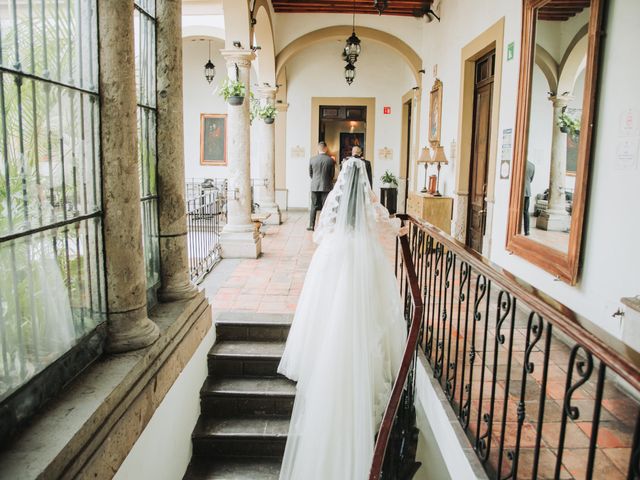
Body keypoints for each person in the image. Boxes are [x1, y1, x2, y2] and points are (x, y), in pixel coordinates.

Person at [277, 155, 408, 480]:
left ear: (341, 181)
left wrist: (337, 242)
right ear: (364, 180)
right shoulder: (371, 205)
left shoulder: (333, 207)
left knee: (331, 316)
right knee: (367, 318)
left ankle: (329, 365)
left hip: (334, 259)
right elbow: (389, 226)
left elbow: (319, 234)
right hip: (364, 259)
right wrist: (402, 226)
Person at [308, 141, 335, 231]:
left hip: (315, 186)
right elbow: (332, 175)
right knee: (326, 206)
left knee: (314, 206)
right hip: (326, 186)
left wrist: (316, 180)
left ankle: (311, 226)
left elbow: (310, 174)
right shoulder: (330, 160)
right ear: (326, 148)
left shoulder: (312, 159)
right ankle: (324, 226)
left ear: (318, 148)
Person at [523, 160, 535, 236]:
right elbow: (531, 179)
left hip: (518, 190)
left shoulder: (519, 163)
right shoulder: (532, 165)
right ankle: (527, 231)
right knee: (526, 212)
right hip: (527, 191)